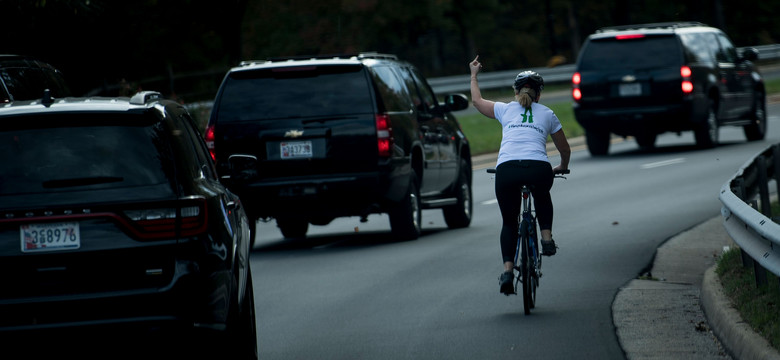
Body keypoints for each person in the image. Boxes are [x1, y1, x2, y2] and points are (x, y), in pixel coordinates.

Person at [468, 56, 571, 296]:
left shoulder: (504, 109)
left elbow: (476, 101)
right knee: (542, 193)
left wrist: (474, 75)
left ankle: (506, 271)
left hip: (507, 170)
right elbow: (564, 148)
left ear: (516, 92)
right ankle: (546, 239)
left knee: (508, 222)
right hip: (538, 168)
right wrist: (562, 165)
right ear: (539, 95)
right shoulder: (547, 113)